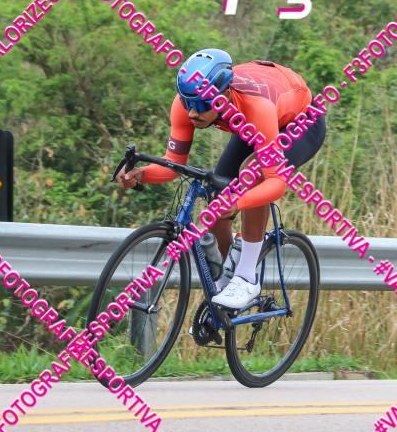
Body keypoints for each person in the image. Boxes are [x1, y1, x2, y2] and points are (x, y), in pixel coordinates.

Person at [117, 49, 326, 309]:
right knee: (218, 192)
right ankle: (228, 281)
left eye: (202, 104)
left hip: (300, 121)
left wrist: (240, 202)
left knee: (253, 171)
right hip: (250, 120)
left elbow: (276, 183)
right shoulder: (187, 104)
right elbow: (172, 166)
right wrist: (142, 174)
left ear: (224, 95)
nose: (193, 113)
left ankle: (246, 278)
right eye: (188, 103)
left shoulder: (256, 107)